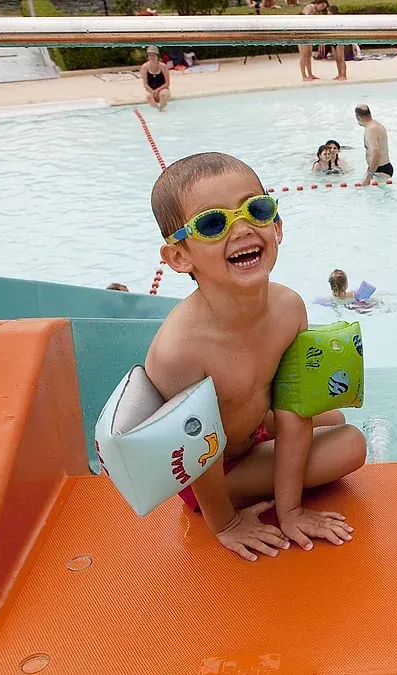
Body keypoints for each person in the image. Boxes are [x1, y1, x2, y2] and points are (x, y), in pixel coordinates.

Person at [145, 151, 367, 561]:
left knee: (333, 417)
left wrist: (291, 511)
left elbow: (295, 407)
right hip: (208, 474)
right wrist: (225, 522)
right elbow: (195, 453)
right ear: (179, 257)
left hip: (251, 431)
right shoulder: (181, 351)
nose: (243, 229)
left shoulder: (288, 308)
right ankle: (234, 497)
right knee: (350, 444)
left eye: (257, 209)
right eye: (213, 224)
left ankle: (270, 472)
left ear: (277, 227)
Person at [355, 104, 393, 185]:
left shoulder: (371, 130)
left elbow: (376, 154)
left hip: (380, 170)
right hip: (380, 168)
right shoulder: (376, 125)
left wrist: (369, 177)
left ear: (357, 117)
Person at [299, 0, 330, 81]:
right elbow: (303, 19)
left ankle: (310, 74)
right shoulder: (309, 7)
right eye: (322, 5)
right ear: (318, 2)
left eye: (323, 7)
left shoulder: (316, 12)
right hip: (302, 34)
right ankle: (304, 75)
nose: (321, 8)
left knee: (308, 54)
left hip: (309, 34)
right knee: (303, 55)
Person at [141, 46, 171, 112]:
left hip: (163, 89)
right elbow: (145, 84)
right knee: (149, 96)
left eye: (153, 55)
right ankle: (156, 111)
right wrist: (152, 91)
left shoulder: (163, 66)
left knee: (162, 95)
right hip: (150, 89)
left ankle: (162, 110)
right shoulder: (144, 67)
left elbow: (167, 83)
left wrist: (157, 90)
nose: (152, 57)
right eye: (150, 55)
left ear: (157, 56)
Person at [327, 5, 348, 81]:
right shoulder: (329, 20)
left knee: (341, 58)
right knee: (336, 58)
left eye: (328, 11)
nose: (327, 13)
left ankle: (344, 74)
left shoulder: (339, 19)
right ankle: (339, 74)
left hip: (339, 40)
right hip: (333, 40)